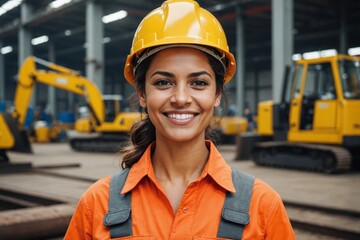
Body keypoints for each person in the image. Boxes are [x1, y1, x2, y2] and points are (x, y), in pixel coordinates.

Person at [64, 0, 295, 239]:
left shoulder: (262, 206)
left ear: (217, 95)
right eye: (163, 82)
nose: (181, 98)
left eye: (199, 83)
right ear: (142, 94)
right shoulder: (97, 204)